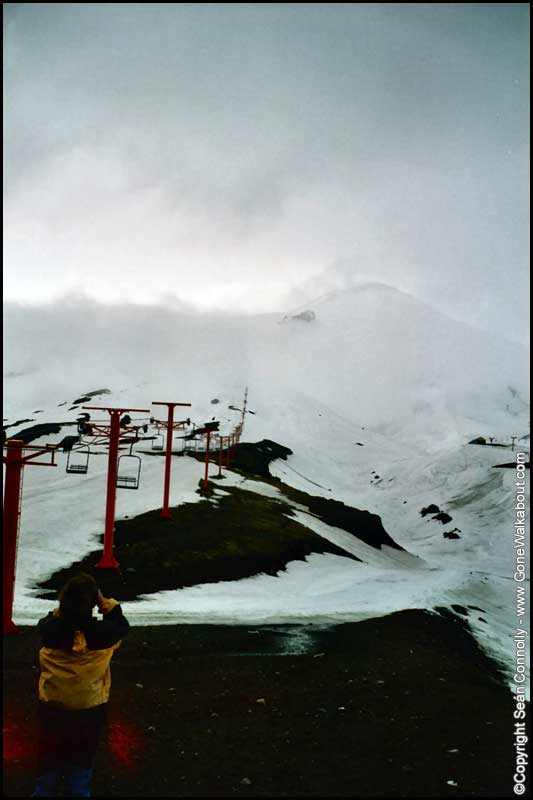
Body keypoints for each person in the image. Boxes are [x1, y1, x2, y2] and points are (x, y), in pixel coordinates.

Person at [32, 573, 130, 797]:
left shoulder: (49, 630)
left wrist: (64, 607)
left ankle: (43, 790)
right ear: (93, 603)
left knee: (49, 752)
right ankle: (78, 791)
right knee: (83, 754)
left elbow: (49, 619)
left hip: (52, 704)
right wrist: (106, 604)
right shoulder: (105, 635)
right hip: (89, 708)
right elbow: (121, 625)